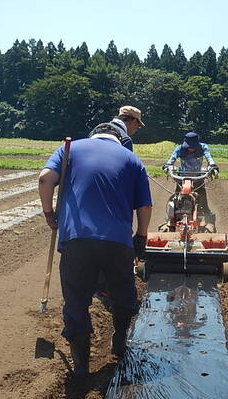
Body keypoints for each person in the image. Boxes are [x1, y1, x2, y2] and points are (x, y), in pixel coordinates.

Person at [38, 123, 152, 377]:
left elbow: (45, 178)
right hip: (117, 242)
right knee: (123, 294)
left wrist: (48, 213)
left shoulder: (70, 150)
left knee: (76, 299)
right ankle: (120, 339)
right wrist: (141, 236)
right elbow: (144, 206)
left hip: (76, 240)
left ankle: (81, 366)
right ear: (120, 140)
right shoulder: (132, 159)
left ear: (93, 135)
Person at [163, 132, 218, 220]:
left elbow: (209, 157)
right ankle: (172, 216)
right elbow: (171, 159)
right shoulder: (179, 149)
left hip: (198, 179)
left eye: (193, 147)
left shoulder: (203, 147)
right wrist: (168, 166)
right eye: (189, 147)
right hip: (182, 179)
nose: (190, 149)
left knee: (203, 199)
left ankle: (207, 214)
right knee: (177, 198)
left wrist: (212, 165)